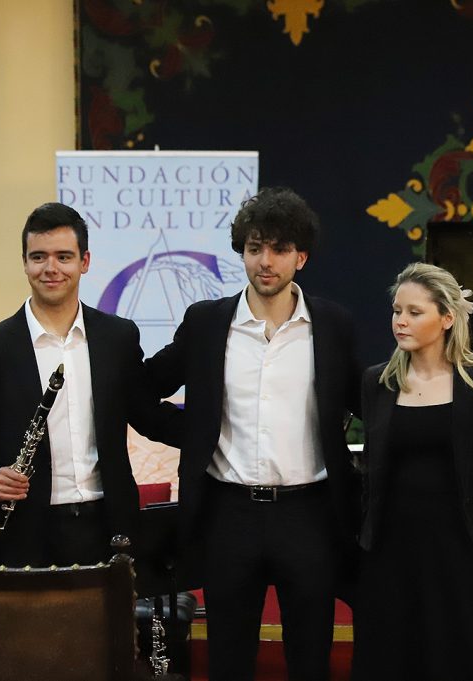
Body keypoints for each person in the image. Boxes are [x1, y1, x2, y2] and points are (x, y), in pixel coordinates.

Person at [144, 187, 361, 681]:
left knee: (311, 656)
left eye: (280, 249)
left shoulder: (333, 325)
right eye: (255, 247)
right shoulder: (206, 323)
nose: (266, 261)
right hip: (228, 514)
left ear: (301, 258)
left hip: (310, 513)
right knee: (228, 657)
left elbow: (366, 402)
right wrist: (193, 435)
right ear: (241, 251)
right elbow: (144, 387)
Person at [0, 202, 182, 568]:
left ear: (84, 261)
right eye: (38, 257)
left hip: (109, 526)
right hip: (25, 530)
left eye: (63, 257)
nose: (51, 268)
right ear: (25, 263)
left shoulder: (117, 337)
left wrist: (214, 432)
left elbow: (145, 414)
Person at [352, 262, 473, 681]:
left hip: (464, 544)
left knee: (464, 652)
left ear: (447, 318)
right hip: (393, 547)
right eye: (397, 311)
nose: (400, 321)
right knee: (397, 653)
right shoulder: (378, 381)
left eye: (414, 312)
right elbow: (372, 468)